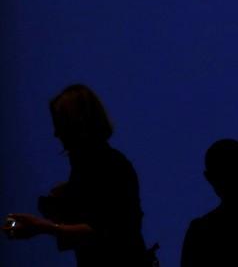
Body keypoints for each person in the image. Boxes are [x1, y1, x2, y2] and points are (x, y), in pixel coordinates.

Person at [2, 84, 152, 266]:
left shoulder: (108, 166)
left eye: (60, 124)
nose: (56, 134)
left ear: (77, 124)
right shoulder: (102, 166)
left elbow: (101, 232)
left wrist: (43, 227)